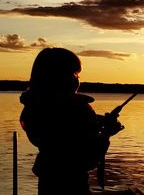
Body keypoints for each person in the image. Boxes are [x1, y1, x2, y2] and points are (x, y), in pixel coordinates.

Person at [19, 47, 123, 195]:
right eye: (74, 73)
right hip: (73, 184)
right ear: (57, 76)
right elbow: (86, 157)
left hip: (47, 181)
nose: (77, 80)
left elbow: (56, 133)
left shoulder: (34, 106)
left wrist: (95, 122)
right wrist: (106, 134)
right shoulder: (75, 110)